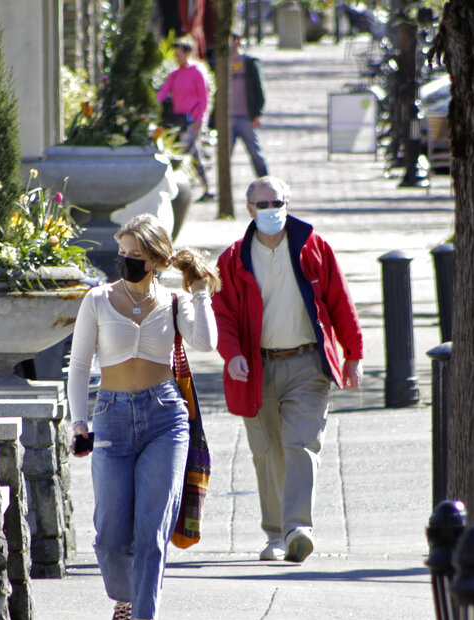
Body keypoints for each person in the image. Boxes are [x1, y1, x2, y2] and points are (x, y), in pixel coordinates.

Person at [67, 213, 220, 620]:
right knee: (111, 532)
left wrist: (199, 292)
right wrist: (79, 423)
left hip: (165, 418)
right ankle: (125, 597)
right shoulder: (97, 300)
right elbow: (78, 367)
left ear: (155, 259)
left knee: (153, 528)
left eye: (136, 255)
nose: (127, 261)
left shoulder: (174, 302)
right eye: (123, 253)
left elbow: (205, 342)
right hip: (111, 415)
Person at [211, 176, 363, 564]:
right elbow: (222, 314)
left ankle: (298, 529)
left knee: (301, 445)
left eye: (277, 203)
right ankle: (275, 535)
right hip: (256, 367)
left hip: (307, 363)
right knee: (267, 453)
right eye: (262, 205)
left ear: (288, 204)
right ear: (249, 210)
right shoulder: (232, 259)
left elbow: (339, 300)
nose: (271, 211)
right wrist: (231, 355)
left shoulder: (314, 247)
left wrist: (353, 354)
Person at [157, 36, 214, 202]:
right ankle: (206, 187)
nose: (177, 58)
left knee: (184, 150)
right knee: (194, 152)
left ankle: (180, 187)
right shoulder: (175, 74)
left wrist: (200, 119)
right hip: (179, 118)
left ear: (188, 53)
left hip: (192, 119)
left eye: (179, 54)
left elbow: (204, 98)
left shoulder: (197, 73)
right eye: (176, 55)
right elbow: (163, 92)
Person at [228, 31, 269, 178]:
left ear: (236, 41)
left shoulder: (249, 63)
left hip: (246, 117)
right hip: (228, 118)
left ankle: (265, 183)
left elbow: (259, 90)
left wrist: (257, 114)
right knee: (224, 157)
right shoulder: (221, 64)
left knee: (255, 153)